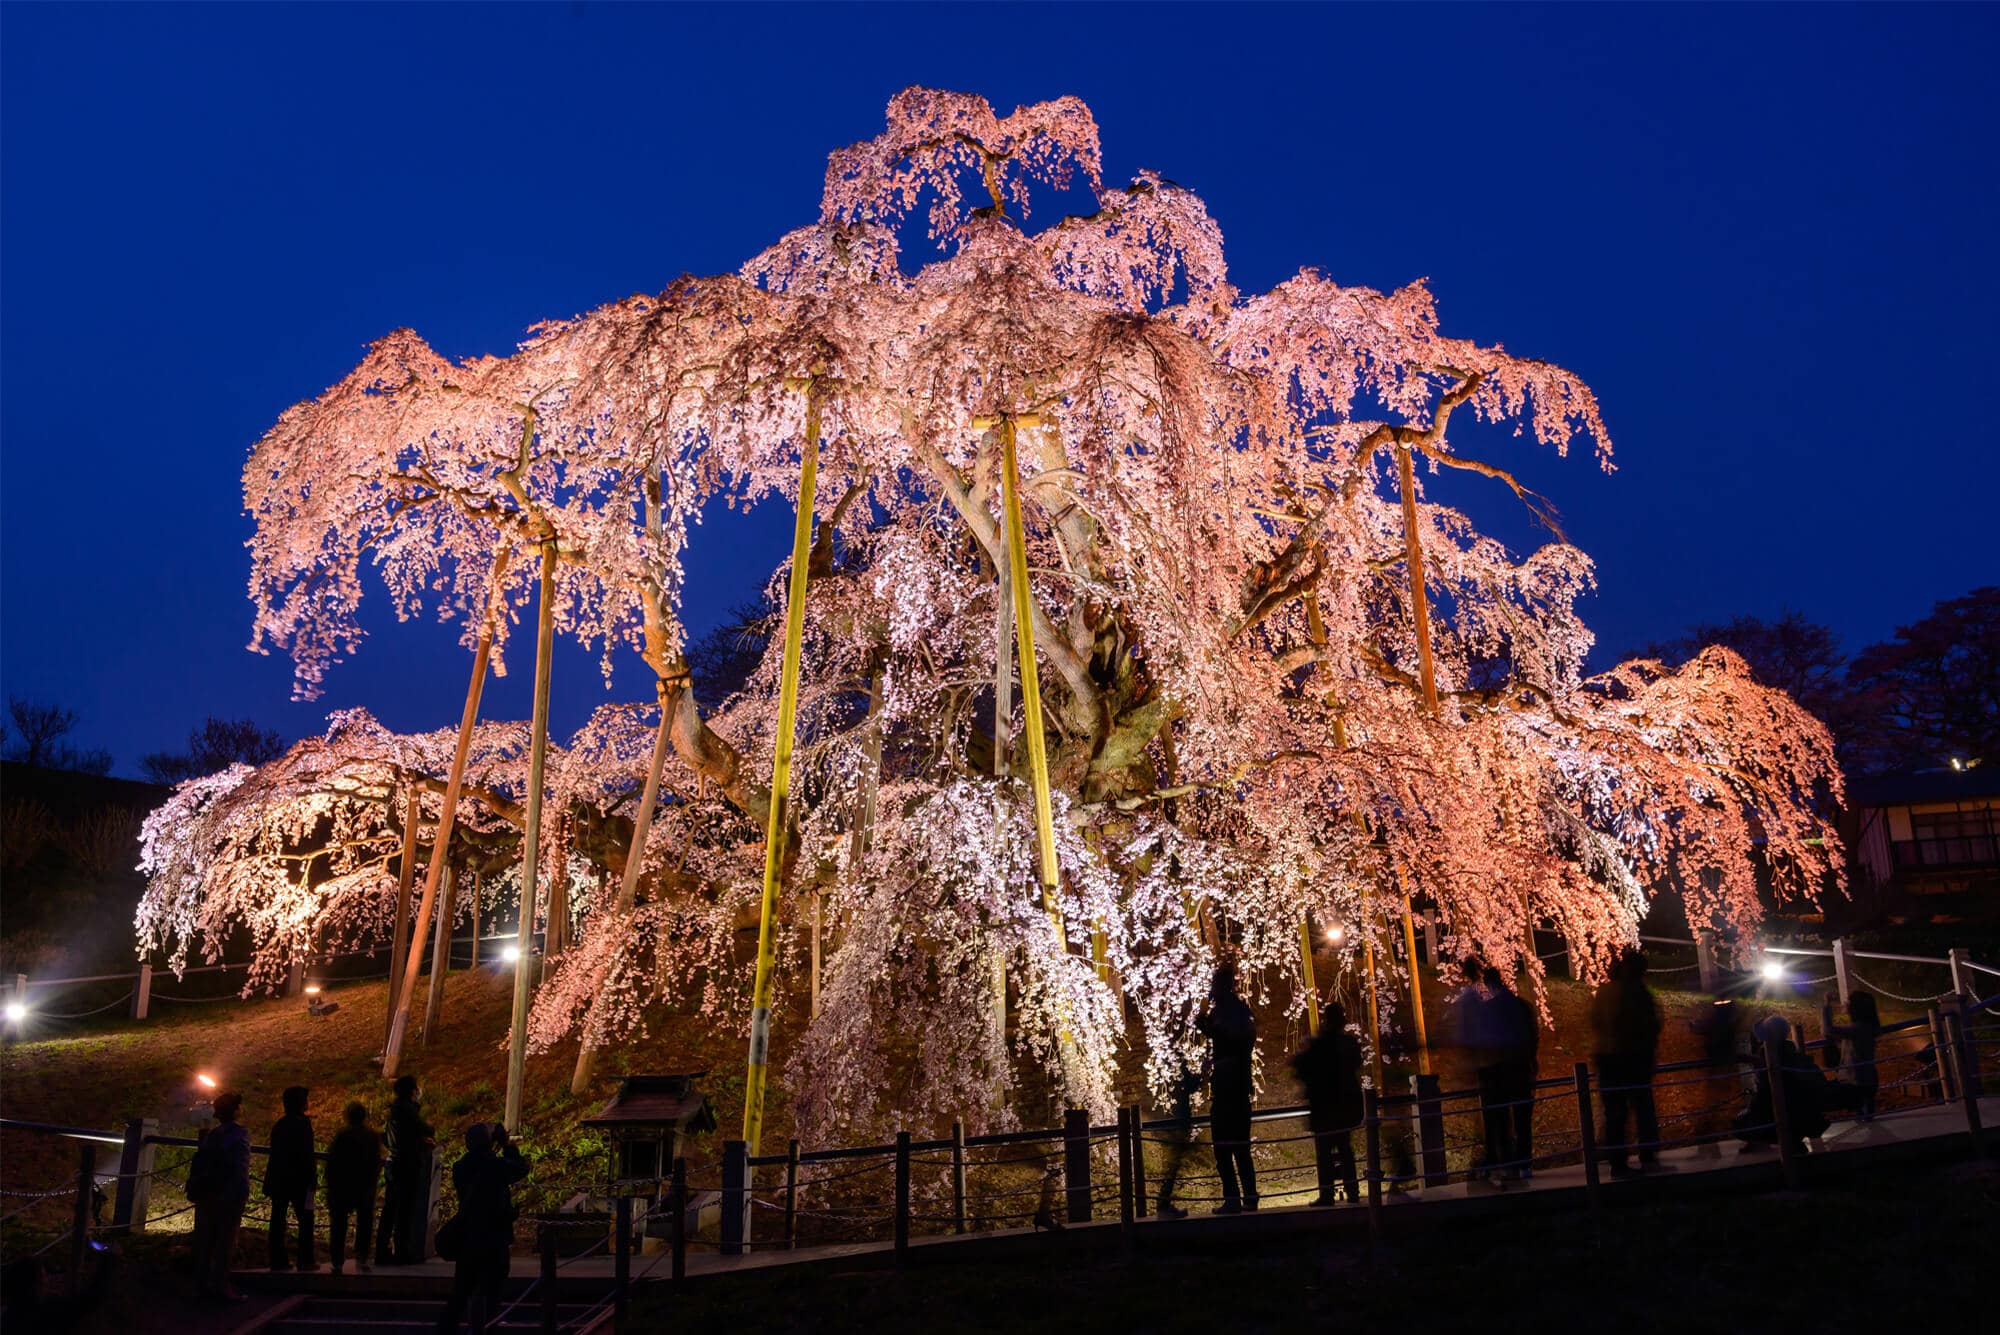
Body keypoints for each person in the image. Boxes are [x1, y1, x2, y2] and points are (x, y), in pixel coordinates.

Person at [437, 1123, 527, 1334]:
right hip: (494, 1236)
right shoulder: (496, 1166)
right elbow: (520, 1168)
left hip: (468, 1235)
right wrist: (505, 1144)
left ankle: (447, 1328)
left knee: (462, 1289)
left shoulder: (460, 1167)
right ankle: (487, 1326)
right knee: (493, 1287)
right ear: (489, 1143)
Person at [1591, 948, 1662, 1178]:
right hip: (1631, 1058)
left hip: (1607, 1057)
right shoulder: (1636, 992)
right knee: (1641, 1108)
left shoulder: (1605, 991)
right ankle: (1646, 1156)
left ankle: (1618, 1161)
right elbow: (1648, 1025)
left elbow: (1595, 1021)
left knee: (1615, 1112)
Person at [1196, 961, 1258, 1213]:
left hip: (1227, 1087)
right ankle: (1249, 1197)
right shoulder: (1240, 1010)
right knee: (1241, 1148)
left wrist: (1208, 1027)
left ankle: (1234, 1199)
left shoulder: (1224, 1011)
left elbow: (1228, 1039)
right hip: (1239, 1085)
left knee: (1224, 1148)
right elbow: (1241, 1040)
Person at [1291, 1000, 1363, 1205]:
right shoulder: (1348, 1043)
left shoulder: (1320, 1043)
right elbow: (1356, 1064)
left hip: (1324, 1105)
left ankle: (1327, 1194)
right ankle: (1353, 1191)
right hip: (1344, 1104)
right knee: (1345, 1148)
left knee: (1324, 1151)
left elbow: (1301, 1065)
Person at [1737, 1014, 1831, 1155]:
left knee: (1743, 1121)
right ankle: (1789, 1140)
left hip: (1783, 1107)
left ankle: (1786, 1142)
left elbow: (1765, 1089)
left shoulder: (1769, 1054)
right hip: (1801, 1107)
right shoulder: (1790, 1050)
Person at [189, 1091, 251, 1301]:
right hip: (229, 1194)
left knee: (207, 1241)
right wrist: (242, 1192)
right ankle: (221, 1287)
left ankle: (202, 1285)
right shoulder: (238, 1134)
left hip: (208, 1193)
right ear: (235, 1111)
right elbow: (239, 1167)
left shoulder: (212, 1135)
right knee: (225, 1242)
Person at [1486, 966, 1540, 1181]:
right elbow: (1533, 1037)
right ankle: (1524, 1163)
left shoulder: (1489, 1009)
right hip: (1521, 1068)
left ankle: (1508, 1164)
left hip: (1499, 1071)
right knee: (1522, 1119)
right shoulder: (1523, 1006)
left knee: (1501, 1120)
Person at [377, 1076, 435, 1266]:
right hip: (406, 1164)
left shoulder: (394, 1110)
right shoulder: (407, 1111)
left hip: (394, 1162)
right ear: (412, 1091)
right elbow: (423, 1129)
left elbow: (391, 1136)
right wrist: (427, 1132)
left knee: (390, 1209)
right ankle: (401, 1252)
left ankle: (382, 1250)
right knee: (404, 1210)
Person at [263, 1085, 318, 1272]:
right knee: (306, 1219)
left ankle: (277, 1259)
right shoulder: (303, 1125)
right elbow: (307, 1154)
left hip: (279, 1179)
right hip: (299, 1181)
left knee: (278, 1218)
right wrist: (312, 1178)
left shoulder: (280, 1124)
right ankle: (305, 1259)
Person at [325, 1101, 382, 1275]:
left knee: (339, 1225)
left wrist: (331, 1184)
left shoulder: (342, 1136)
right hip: (364, 1187)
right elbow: (376, 1162)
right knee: (364, 1223)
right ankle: (362, 1257)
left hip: (342, 1187)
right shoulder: (372, 1136)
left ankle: (337, 1261)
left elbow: (332, 1162)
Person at [1152, 1048, 1206, 1219]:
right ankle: (1163, 1205)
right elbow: (1191, 1085)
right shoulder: (1176, 1065)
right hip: (1177, 1120)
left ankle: (1164, 1204)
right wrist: (1204, 1069)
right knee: (1172, 1165)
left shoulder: (1163, 1068)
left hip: (1168, 1121)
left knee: (1171, 1164)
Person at [1822, 992, 1883, 1121]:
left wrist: (1827, 1005)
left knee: (1822, 1099)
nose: (1844, 1004)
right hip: (1866, 1079)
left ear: (1855, 1007)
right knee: (1866, 1119)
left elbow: (1828, 1030)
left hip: (1855, 1082)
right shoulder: (1868, 1026)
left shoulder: (1857, 1028)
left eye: (1847, 1002)